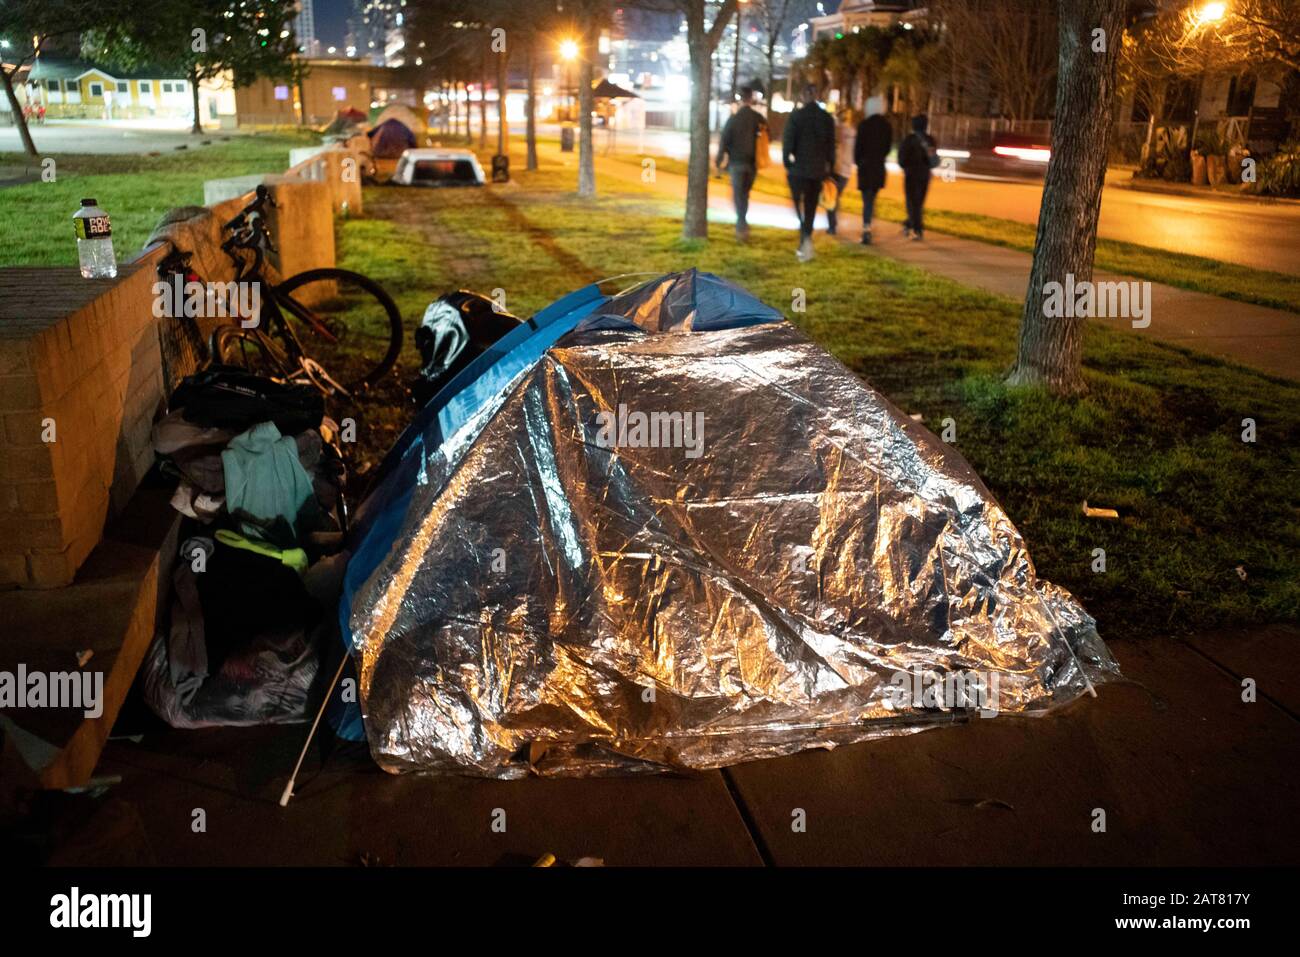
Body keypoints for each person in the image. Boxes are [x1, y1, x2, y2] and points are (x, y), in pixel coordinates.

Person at [782, 84, 835, 262]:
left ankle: (804, 236)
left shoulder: (796, 116)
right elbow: (830, 145)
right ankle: (806, 235)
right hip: (817, 169)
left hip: (799, 169)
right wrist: (830, 166)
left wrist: (787, 161)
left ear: (804, 95)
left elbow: (788, 141)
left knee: (798, 202)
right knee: (811, 205)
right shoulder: (826, 118)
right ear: (817, 95)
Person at [715, 86, 769, 242]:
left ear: (741, 99)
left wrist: (719, 159)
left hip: (736, 163)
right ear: (751, 99)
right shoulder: (758, 118)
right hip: (752, 164)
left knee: (738, 194)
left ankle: (741, 225)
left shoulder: (734, 118)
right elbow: (767, 136)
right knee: (745, 194)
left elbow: (724, 140)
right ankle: (742, 222)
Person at [853, 108, 892, 245]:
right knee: (872, 198)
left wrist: (858, 161)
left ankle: (866, 228)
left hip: (865, 167)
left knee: (867, 200)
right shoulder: (886, 126)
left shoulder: (864, 125)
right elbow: (887, 148)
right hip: (878, 168)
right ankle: (868, 224)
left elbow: (857, 148)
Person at [897, 113, 938, 241]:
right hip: (924, 175)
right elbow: (933, 159)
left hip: (911, 174)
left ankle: (916, 229)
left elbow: (901, 158)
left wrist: (905, 166)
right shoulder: (930, 140)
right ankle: (910, 223)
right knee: (919, 202)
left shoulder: (909, 140)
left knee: (911, 202)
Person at [824, 108, 854, 236]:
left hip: (835, 169)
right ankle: (833, 223)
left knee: (831, 196)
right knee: (836, 196)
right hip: (846, 171)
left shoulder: (835, 130)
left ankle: (832, 226)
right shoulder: (853, 132)